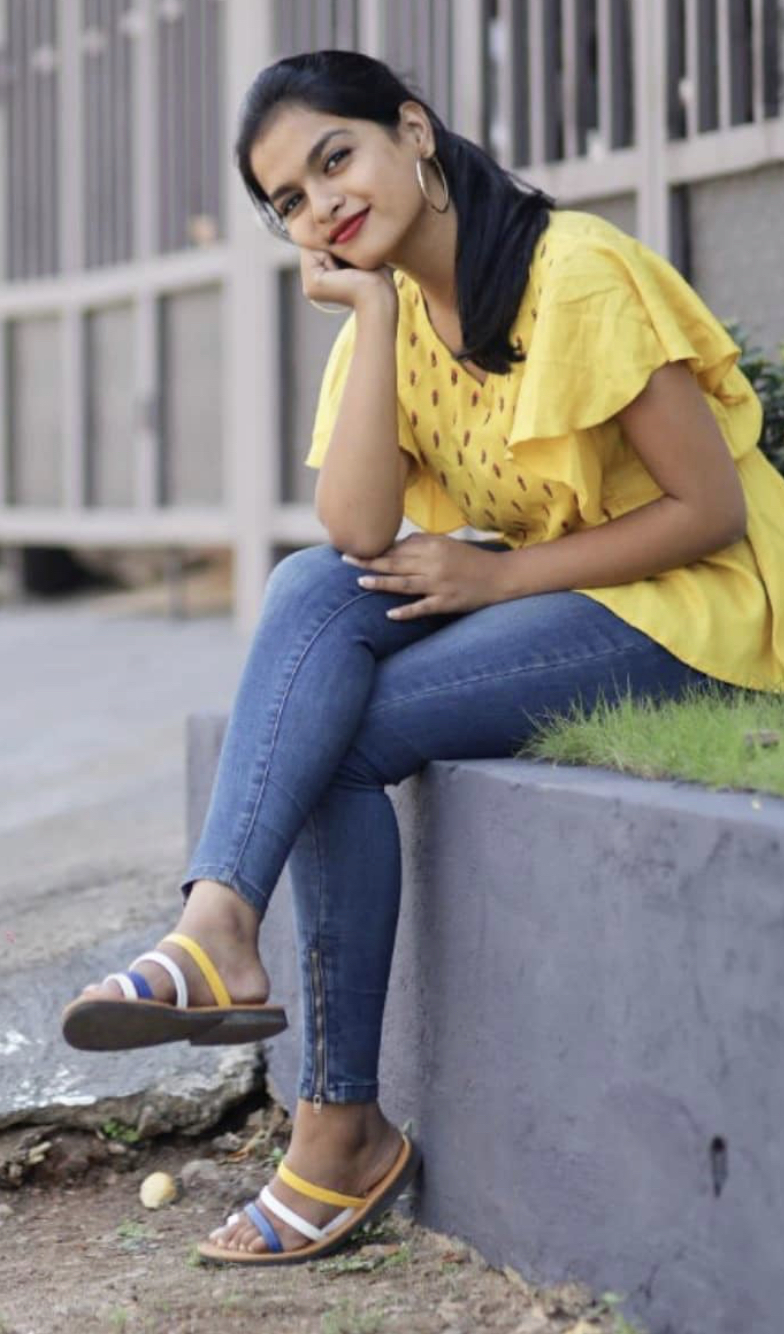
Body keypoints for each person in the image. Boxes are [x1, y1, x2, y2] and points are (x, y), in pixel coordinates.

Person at [61, 48, 784, 1266]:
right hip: (580, 591)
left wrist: (494, 576)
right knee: (311, 586)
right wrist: (377, 312)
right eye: (290, 200)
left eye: (334, 158)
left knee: (338, 728)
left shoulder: (575, 273)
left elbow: (708, 511)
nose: (322, 204)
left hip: (708, 609)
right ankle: (223, 929)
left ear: (413, 130)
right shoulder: (393, 306)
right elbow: (354, 533)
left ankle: (329, 1117)